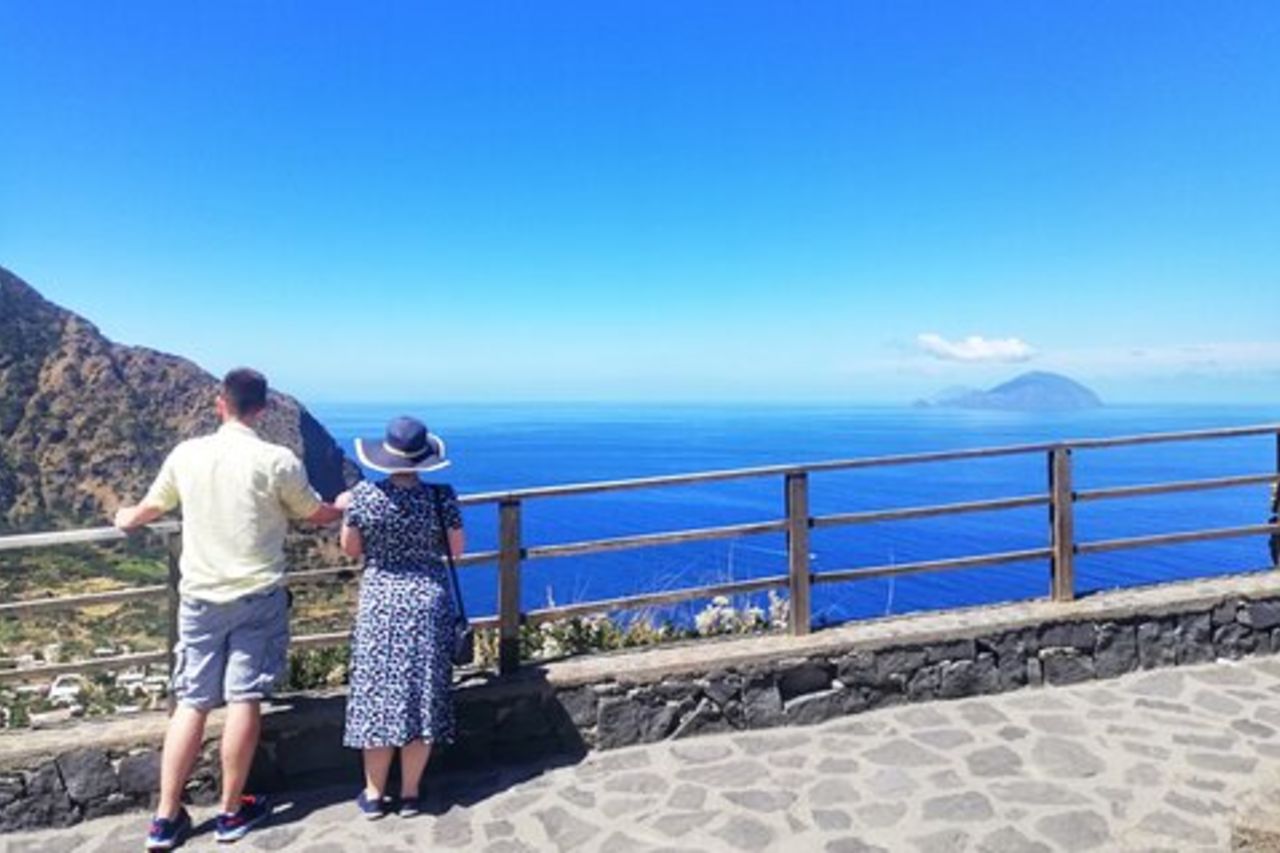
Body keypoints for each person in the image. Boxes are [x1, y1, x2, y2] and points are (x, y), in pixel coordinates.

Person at [114, 368, 344, 850]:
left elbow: (149, 509)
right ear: (263, 409)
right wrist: (340, 506)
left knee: (192, 702)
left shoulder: (187, 455)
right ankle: (229, 811)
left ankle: (164, 818)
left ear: (221, 403)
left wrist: (126, 517)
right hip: (257, 596)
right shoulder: (276, 459)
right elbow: (312, 512)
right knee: (244, 700)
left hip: (198, 598)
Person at [340, 415, 464, 819]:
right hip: (427, 602)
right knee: (421, 697)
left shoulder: (363, 496)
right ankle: (410, 794)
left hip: (381, 605)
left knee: (378, 697)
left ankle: (374, 795)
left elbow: (351, 549)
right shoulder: (441, 497)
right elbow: (456, 550)